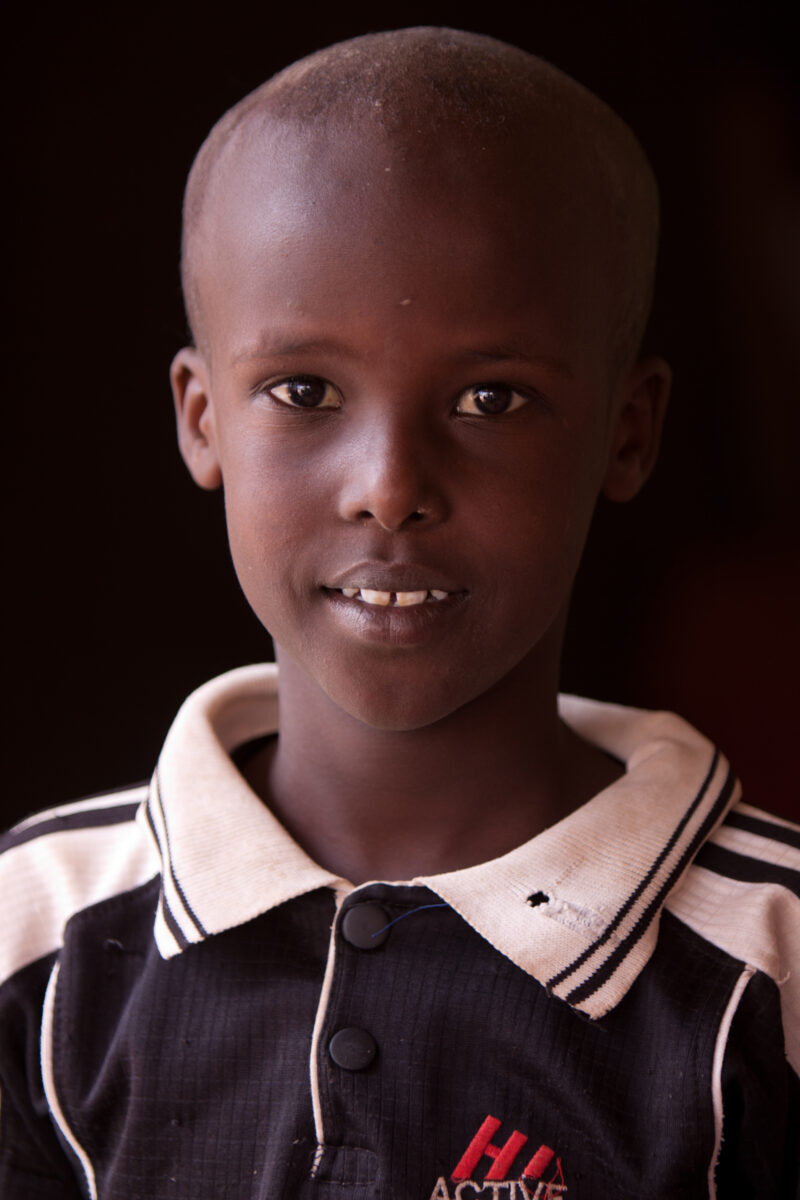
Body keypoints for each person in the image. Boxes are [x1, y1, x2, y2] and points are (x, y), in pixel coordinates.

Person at [0, 27, 797, 1200]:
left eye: (490, 397)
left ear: (627, 429)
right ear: (201, 416)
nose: (388, 484)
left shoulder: (768, 969)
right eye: (304, 390)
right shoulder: (40, 935)